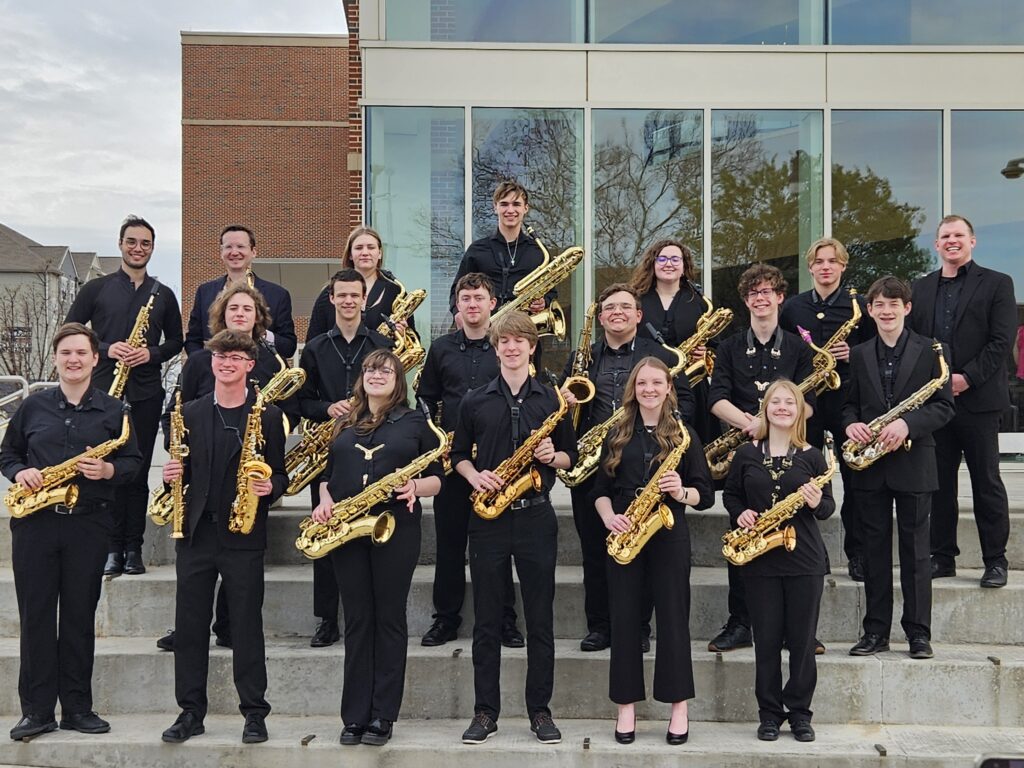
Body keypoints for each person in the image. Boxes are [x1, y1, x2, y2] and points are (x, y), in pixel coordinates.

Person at [1, 323, 142, 741]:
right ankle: (37, 711)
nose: (74, 360)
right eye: (66, 353)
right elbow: (7, 453)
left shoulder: (115, 411)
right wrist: (20, 470)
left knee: (79, 617)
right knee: (37, 617)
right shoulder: (32, 407)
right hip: (35, 525)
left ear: (96, 359)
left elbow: (134, 463)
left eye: (81, 353)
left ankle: (78, 709)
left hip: (89, 523)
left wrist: (109, 469)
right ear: (56, 358)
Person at [452, 311, 577, 745]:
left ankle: (540, 711)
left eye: (519, 340)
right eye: (503, 340)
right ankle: (485, 712)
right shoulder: (475, 399)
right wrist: (474, 476)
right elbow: (457, 457)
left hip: (536, 515)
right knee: (486, 620)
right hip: (487, 517)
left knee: (540, 619)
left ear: (531, 345)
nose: (511, 347)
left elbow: (571, 458)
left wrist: (550, 456)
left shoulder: (553, 400)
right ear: (495, 346)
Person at [159, 330, 288, 745]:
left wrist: (273, 488)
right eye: (220, 356)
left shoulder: (266, 415)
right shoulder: (192, 412)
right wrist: (170, 477)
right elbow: (183, 472)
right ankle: (190, 711)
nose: (226, 363)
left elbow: (280, 472)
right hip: (195, 534)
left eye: (235, 357)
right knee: (190, 626)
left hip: (243, 535)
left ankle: (254, 713)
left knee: (247, 626)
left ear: (250, 365)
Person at [311, 349, 443, 746]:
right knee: (356, 620)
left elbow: (438, 478)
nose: (376, 374)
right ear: (361, 377)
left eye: (386, 370)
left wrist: (415, 487)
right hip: (347, 530)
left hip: (394, 528)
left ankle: (383, 715)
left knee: (388, 619)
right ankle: (354, 716)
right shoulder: (345, 422)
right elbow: (328, 475)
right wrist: (323, 499)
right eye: (370, 369)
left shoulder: (415, 422)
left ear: (398, 379)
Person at [156, 283, 296, 652]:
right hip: (203, 471)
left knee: (241, 576)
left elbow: (279, 449)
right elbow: (179, 411)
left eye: (247, 309)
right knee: (196, 588)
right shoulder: (203, 359)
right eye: (233, 307)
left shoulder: (269, 361)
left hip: (248, 472)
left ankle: (231, 626)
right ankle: (193, 634)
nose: (240, 314)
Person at [559, 282, 695, 653]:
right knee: (594, 549)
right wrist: (567, 401)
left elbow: (685, 401)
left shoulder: (661, 355)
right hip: (593, 464)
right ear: (601, 317)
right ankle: (601, 626)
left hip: (645, 460)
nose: (616, 312)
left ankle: (638, 627)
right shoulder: (583, 356)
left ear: (638, 315)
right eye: (609, 307)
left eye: (624, 306)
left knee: (645, 548)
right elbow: (563, 411)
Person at [593, 356, 712, 745]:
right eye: (642, 383)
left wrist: (681, 492)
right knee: (624, 621)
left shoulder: (684, 434)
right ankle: (625, 707)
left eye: (656, 383)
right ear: (633, 389)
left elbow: (705, 495)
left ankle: (679, 708)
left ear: (667, 388)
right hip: (626, 530)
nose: (649, 389)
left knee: (674, 621)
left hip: (668, 532)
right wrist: (611, 517)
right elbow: (599, 493)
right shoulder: (617, 433)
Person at [843, 276, 955, 661]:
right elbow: (849, 405)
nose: (886, 311)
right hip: (871, 466)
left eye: (894, 304)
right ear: (870, 310)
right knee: (874, 553)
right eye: (879, 305)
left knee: (916, 553)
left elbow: (944, 406)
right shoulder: (859, 354)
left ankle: (918, 634)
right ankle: (875, 632)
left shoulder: (932, 350)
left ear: (907, 308)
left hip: (914, 462)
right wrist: (850, 425)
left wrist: (908, 424)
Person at [65, 215, 183, 577]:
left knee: (136, 470)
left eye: (145, 243)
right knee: (102, 471)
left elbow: (177, 341)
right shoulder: (96, 289)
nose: (138, 248)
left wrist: (150, 354)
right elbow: (70, 329)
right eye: (132, 241)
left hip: (145, 392)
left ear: (152, 248)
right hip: (103, 392)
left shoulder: (163, 294)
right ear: (120, 244)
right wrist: (106, 347)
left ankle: (133, 548)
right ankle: (110, 548)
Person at [706, 263, 815, 653]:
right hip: (745, 454)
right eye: (753, 293)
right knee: (743, 531)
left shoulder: (800, 348)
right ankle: (741, 623)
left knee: (793, 536)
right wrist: (751, 425)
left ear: (780, 297)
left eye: (768, 291)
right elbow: (716, 398)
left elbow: (811, 403)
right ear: (746, 300)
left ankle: (794, 628)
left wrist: (773, 424)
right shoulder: (731, 346)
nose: (760, 298)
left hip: (790, 451)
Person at [723, 379, 835, 743]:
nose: (783, 408)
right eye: (776, 402)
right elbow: (732, 496)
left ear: (800, 410)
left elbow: (828, 509)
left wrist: (818, 501)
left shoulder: (813, 456)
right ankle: (769, 714)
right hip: (760, 561)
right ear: (765, 410)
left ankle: (800, 714)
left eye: (790, 402)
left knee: (802, 643)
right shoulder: (746, 454)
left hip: (804, 561)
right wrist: (740, 514)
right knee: (766, 642)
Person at [909, 215, 1017, 589]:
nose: (951, 241)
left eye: (958, 235)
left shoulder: (998, 284)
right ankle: (943, 557)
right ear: (936, 245)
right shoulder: (919, 289)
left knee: (986, 481)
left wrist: (965, 378)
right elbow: (915, 343)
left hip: (980, 402)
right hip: (935, 405)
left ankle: (995, 561)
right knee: (938, 484)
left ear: (973, 241)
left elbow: (1001, 342)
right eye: (944, 236)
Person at [417, 273, 523, 648]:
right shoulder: (441, 348)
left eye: (479, 297)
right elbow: (426, 399)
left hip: (497, 464)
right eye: (466, 298)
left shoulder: (506, 347)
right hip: (452, 462)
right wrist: (436, 437)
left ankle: (505, 619)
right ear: (457, 305)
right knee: (449, 544)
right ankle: (445, 618)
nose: (473, 304)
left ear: (492, 303)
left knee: (498, 544)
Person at [296, 269, 393, 647]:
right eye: (342, 295)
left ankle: (366, 617)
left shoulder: (381, 344)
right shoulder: (316, 347)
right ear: (332, 300)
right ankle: (326, 619)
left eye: (356, 295)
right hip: (326, 453)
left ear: (364, 299)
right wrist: (326, 407)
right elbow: (300, 401)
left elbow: (396, 396)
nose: (349, 301)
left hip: (373, 452)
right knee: (324, 534)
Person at [779, 237, 876, 582]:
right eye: (819, 261)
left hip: (849, 398)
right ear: (810, 267)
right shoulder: (793, 308)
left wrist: (857, 353)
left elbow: (876, 348)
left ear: (843, 266)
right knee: (804, 475)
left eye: (832, 261)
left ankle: (859, 554)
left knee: (855, 477)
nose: (825, 267)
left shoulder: (860, 306)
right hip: (808, 401)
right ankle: (811, 554)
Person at [449, 180, 553, 367]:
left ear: (525, 208)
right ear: (495, 208)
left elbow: (552, 291)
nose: (510, 210)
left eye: (516, 204)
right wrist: (458, 313)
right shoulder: (477, 249)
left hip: (523, 336)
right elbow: (456, 290)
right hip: (483, 336)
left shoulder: (538, 251)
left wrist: (544, 301)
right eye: (504, 204)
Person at [631, 238, 722, 443]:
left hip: (692, 383)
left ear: (684, 267)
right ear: (652, 264)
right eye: (662, 258)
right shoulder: (637, 300)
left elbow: (715, 345)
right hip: (649, 384)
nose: (668, 263)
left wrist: (706, 353)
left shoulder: (699, 302)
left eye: (675, 259)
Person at [184, 224, 296, 358]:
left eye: (241, 246)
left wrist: (261, 333)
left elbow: (289, 347)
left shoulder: (278, 295)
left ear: (253, 252)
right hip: (215, 375)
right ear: (221, 252)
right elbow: (193, 340)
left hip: (263, 375)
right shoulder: (204, 292)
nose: (234, 252)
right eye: (228, 247)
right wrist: (207, 366)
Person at [306, 226, 417, 340]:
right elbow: (312, 341)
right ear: (350, 254)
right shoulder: (328, 293)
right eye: (359, 248)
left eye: (371, 247)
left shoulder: (396, 293)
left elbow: (414, 341)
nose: (365, 253)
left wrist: (404, 334)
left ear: (379, 253)